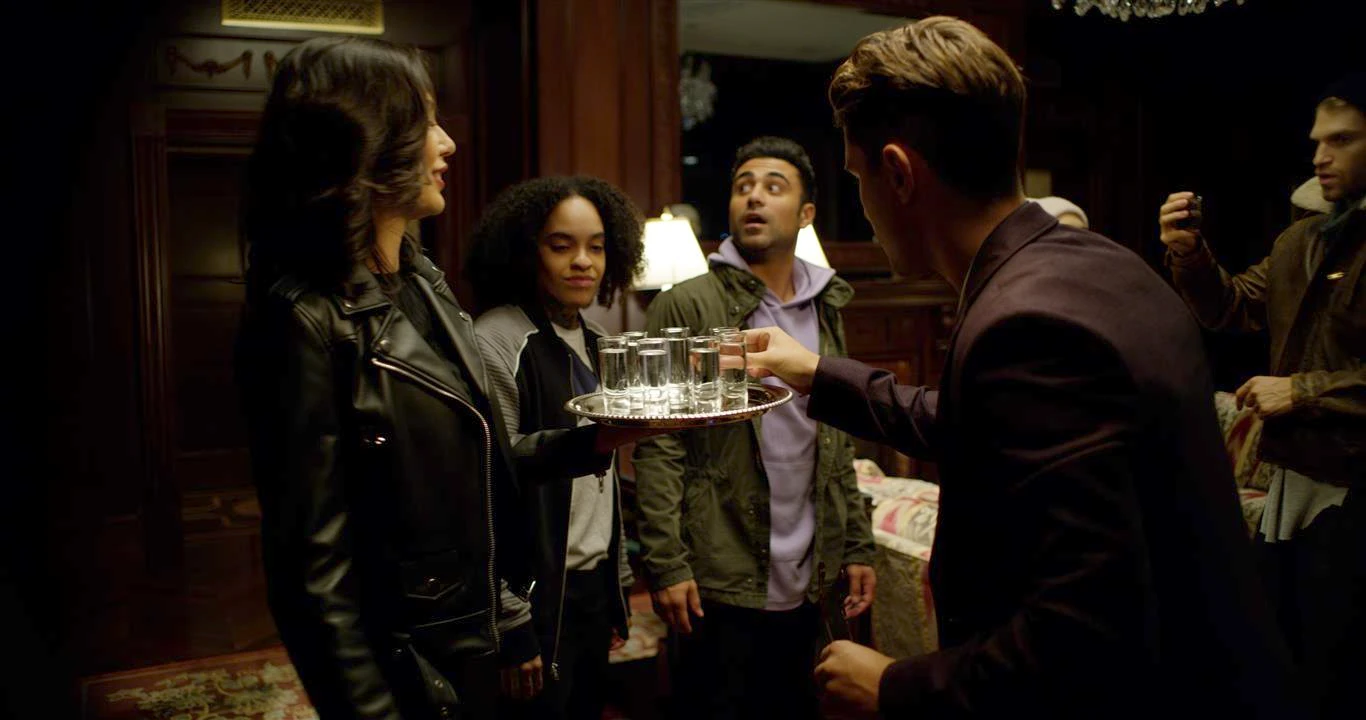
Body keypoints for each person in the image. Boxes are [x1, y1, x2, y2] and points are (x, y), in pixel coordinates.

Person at [742, 17, 1296, 719]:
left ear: (899, 173)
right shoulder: (1104, 263)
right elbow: (973, 424)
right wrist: (816, 373)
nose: (864, 204)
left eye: (857, 177)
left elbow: (1083, 633)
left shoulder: (1026, 323)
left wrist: (896, 685)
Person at [236, 37, 637, 719]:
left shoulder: (423, 283)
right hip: (408, 667)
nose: (447, 143)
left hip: (467, 646)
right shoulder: (303, 319)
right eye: (425, 122)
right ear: (368, 140)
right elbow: (314, 579)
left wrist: (601, 439)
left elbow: (480, 469)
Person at [631, 136, 878, 719]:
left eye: (773, 186)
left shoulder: (826, 303)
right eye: (743, 186)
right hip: (718, 562)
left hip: (812, 566)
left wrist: (856, 543)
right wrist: (666, 562)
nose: (754, 197)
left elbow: (836, 437)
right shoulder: (687, 305)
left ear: (806, 213)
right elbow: (659, 442)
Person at [1158, 73, 1366, 719]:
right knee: (1286, 667)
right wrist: (1190, 256)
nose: (1320, 156)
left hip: (1355, 487)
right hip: (1296, 481)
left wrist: (1301, 391)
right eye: (1317, 141)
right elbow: (1233, 306)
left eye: (1341, 140)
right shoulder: (1303, 239)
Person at [467, 177, 645, 719]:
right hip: (533, 597)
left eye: (597, 246)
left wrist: (616, 586)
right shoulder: (497, 339)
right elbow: (487, 488)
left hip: (591, 588)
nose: (583, 261)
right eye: (561, 245)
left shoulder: (597, 342)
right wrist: (511, 619)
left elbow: (603, 486)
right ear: (527, 251)